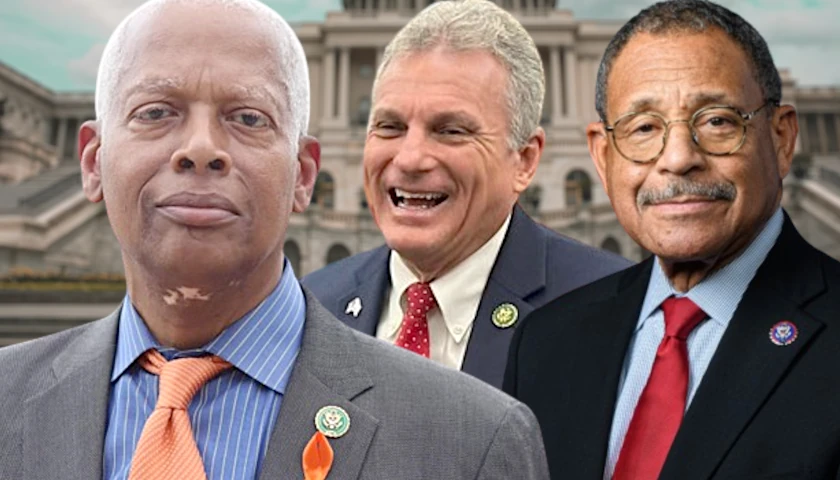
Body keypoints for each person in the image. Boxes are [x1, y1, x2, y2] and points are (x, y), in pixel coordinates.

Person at [0, 1, 551, 479]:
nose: (198, 148)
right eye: (155, 113)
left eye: (247, 117)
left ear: (303, 176)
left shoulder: (472, 440)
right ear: (92, 163)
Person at [504, 1, 840, 479]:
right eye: (644, 128)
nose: (678, 158)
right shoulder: (545, 343)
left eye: (717, 121)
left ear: (782, 139)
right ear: (602, 157)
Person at [302, 0, 630, 389]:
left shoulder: (613, 311)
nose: (410, 159)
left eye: (451, 130)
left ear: (523, 160)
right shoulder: (312, 308)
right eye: (389, 126)